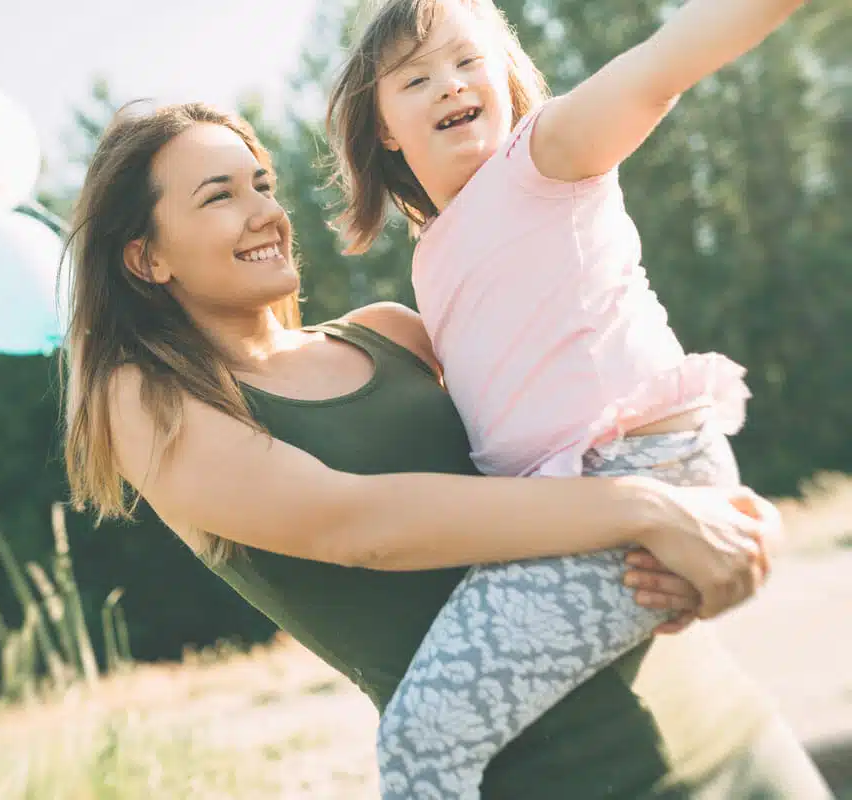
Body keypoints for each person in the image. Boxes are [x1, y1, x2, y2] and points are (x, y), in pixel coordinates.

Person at [62, 101, 827, 798]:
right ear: (146, 259)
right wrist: (646, 509)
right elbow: (358, 527)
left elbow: (594, 424)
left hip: (731, 738)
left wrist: (724, 515)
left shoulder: (395, 332)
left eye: (262, 184)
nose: (264, 211)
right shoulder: (144, 403)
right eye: (219, 196)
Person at [325, 0, 829, 796]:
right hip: (581, 503)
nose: (448, 85)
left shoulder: (545, 156)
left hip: (641, 471)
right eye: (415, 78)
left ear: (506, 75)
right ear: (384, 126)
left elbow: (663, 67)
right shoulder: (434, 255)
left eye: (467, 62)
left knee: (423, 740)